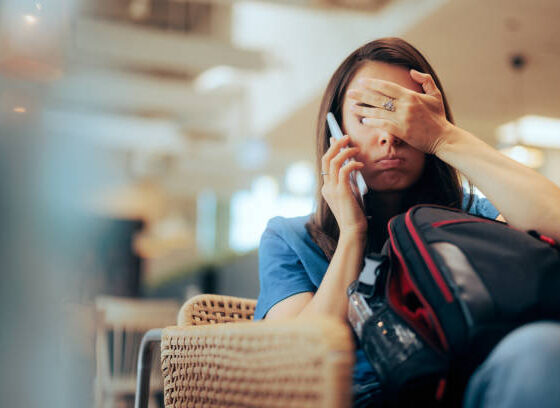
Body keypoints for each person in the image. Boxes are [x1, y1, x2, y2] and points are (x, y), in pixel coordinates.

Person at [253, 37, 560, 407]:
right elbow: (291, 365)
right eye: (367, 115)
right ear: (336, 131)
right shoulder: (289, 239)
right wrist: (352, 233)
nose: (390, 135)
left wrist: (445, 137)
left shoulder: (470, 218)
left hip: (463, 388)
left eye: (405, 113)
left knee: (544, 348)